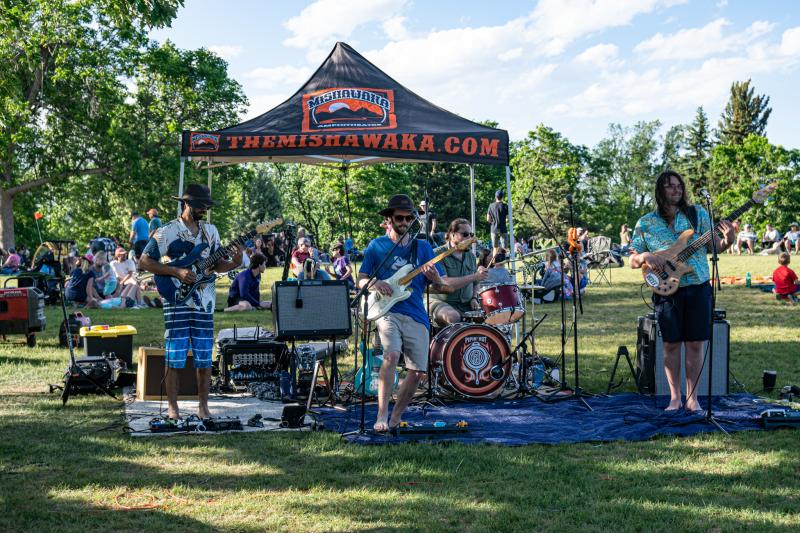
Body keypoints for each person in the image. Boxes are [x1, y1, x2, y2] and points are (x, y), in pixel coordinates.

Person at [629, 170, 735, 412]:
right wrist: (645, 255)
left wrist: (728, 240)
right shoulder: (645, 222)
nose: (676, 189)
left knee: (696, 344)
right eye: (670, 186)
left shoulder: (697, 215)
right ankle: (675, 398)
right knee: (671, 345)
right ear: (660, 190)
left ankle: (693, 398)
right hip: (666, 290)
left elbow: (714, 247)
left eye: (679, 186)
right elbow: (633, 260)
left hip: (698, 285)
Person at [138, 184, 242, 420]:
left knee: (205, 356)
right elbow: (144, 261)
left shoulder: (211, 232)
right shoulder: (167, 231)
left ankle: (203, 407)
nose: (204, 209)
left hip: (205, 301)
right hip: (176, 300)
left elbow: (216, 265)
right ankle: (173, 409)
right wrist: (176, 272)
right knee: (174, 355)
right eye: (200, 206)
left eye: (206, 206)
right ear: (187, 204)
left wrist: (234, 263)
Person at [358, 194, 458, 433]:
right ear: (389, 220)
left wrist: (435, 278)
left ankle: (395, 418)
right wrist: (374, 284)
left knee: (418, 372)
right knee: (391, 355)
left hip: (415, 313)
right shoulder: (376, 246)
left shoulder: (422, 248)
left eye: (408, 218)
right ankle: (381, 414)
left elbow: (442, 285)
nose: (404, 222)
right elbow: (361, 279)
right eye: (399, 218)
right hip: (387, 311)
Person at [429, 219, 488, 326]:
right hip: (440, 303)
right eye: (465, 234)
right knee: (453, 317)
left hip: (465, 304)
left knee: (488, 316)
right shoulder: (437, 254)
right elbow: (445, 282)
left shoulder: (470, 256)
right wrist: (474, 276)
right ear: (452, 235)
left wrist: (474, 298)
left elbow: (476, 283)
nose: (469, 238)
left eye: (471, 234)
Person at [486, 189, 508, 256]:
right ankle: (503, 263)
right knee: (504, 248)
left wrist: (493, 222)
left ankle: (494, 263)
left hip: (494, 229)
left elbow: (488, 219)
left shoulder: (491, 206)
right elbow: (508, 219)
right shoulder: (505, 206)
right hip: (503, 228)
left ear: (495, 197)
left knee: (495, 248)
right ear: (502, 197)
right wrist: (504, 221)